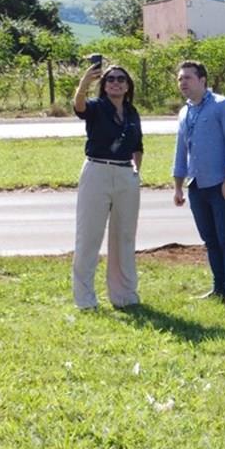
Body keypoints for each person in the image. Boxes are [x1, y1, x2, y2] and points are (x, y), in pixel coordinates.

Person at [171, 60, 225, 310]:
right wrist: (178, 186)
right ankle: (219, 288)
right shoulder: (185, 112)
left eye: (188, 78)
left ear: (203, 80)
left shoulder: (223, 107)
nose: (183, 83)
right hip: (196, 186)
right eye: (180, 79)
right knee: (210, 240)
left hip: (221, 183)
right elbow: (181, 150)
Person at [72, 62, 144, 310]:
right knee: (89, 237)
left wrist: (136, 173)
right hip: (97, 171)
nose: (116, 82)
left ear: (128, 86)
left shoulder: (132, 112)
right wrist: (83, 84)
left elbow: (138, 146)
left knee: (124, 236)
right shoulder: (96, 108)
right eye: (111, 79)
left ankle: (124, 296)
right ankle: (85, 300)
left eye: (121, 79)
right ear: (103, 85)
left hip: (126, 174)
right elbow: (79, 107)